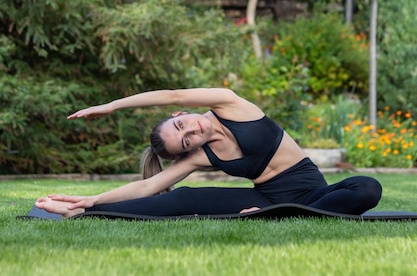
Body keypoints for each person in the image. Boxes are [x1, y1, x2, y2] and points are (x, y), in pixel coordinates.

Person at [35, 88, 382, 218]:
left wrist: (112, 105)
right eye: (185, 142)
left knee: (368, 188)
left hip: (313, 191)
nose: (191, 132)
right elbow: (147, 188)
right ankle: (81, 215)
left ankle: (293, 213)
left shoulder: (230, 103)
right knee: (182, 198)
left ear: (179, 115)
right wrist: (88, 201)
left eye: (182, 125)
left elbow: (171, 94)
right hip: (266, 200)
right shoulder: (203, 155)